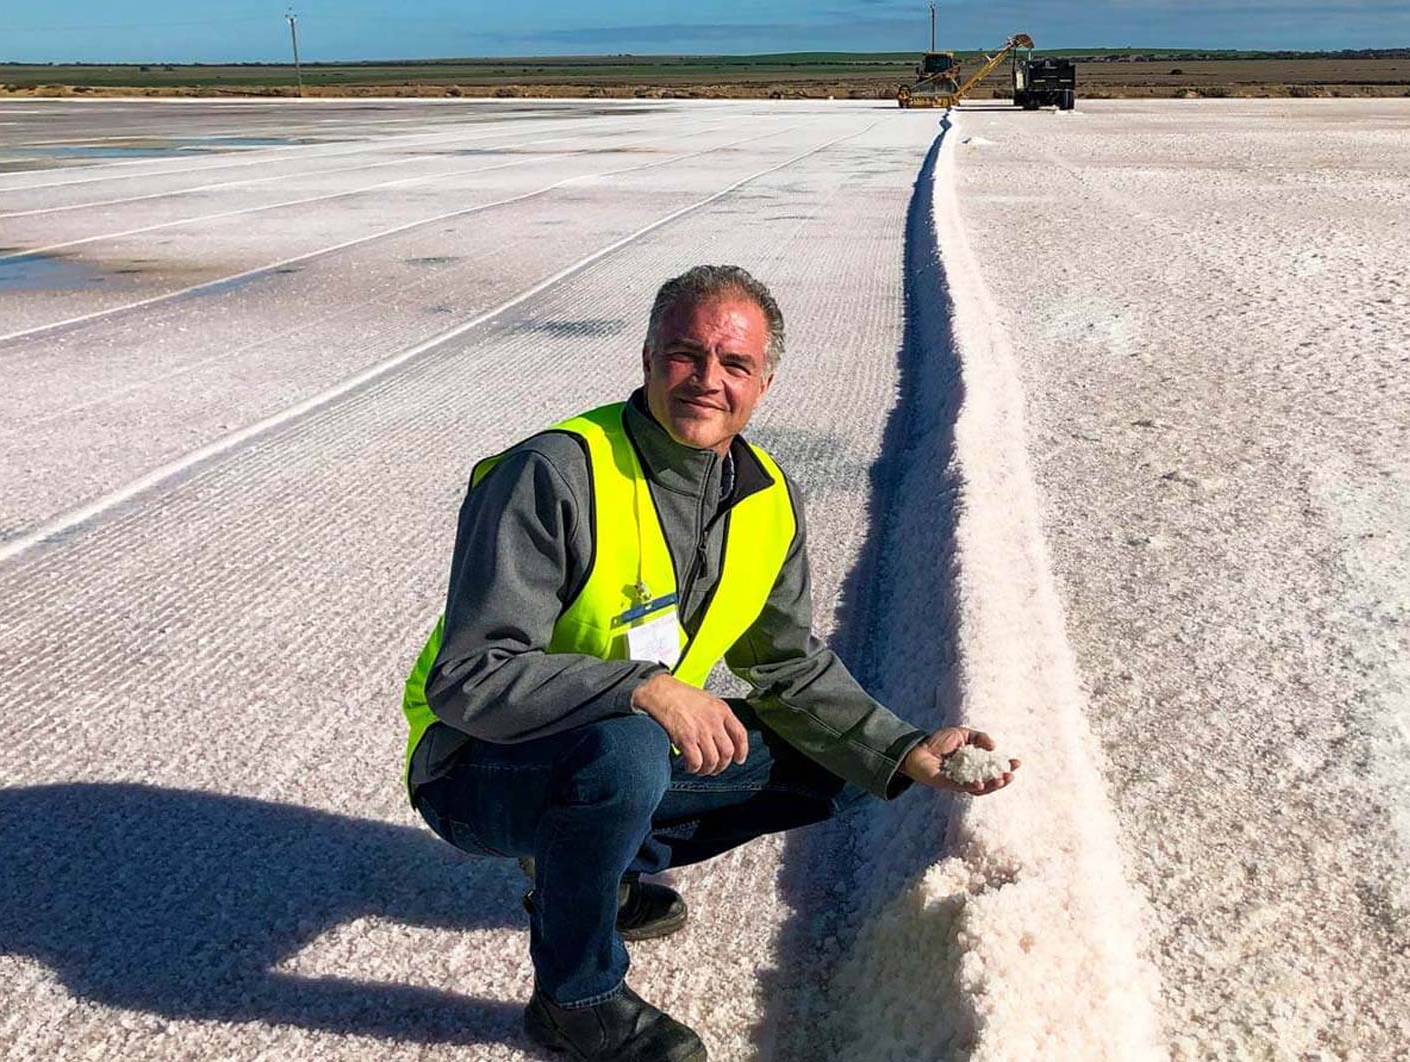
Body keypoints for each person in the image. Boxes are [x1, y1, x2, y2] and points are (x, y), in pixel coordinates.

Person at [398, 264, 1018, 1062]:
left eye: (733, 365)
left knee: (840, 763)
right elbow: (470, 676)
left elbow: (788, 664)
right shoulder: (554, 474)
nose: (707, 380)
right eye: (685, 355)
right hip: (475, 765)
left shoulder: (762, 498)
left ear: (764, 381)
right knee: (620, 752)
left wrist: (899, 747)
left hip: (609, 751)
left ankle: (597, 874)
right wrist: (644, 688)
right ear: (650, 358)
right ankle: (575, 996)